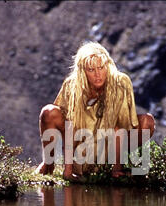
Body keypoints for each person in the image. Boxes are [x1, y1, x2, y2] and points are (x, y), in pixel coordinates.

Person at [36, 41, 155, 180]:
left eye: (101, 67)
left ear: (107, 65)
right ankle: (48, 164)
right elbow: (70, 126)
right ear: (83, 71)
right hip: (81, 144)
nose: (98, 74)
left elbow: (121, 125)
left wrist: (117, 168)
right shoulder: (72, 85)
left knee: (147, 121)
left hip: (110, 140)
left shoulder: (121, 82)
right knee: (49, 111)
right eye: (91, 70)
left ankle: (117, 166)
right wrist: (68, 172)